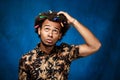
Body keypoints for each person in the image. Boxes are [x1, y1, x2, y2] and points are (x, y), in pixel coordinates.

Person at [18, 10, 101, 80]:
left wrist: (73, 21)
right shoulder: (26, 59)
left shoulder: (66, 52)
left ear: (60, 35)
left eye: (55, 31)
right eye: (47, 29)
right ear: (39, 30)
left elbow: (95, 46)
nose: (50, 34)